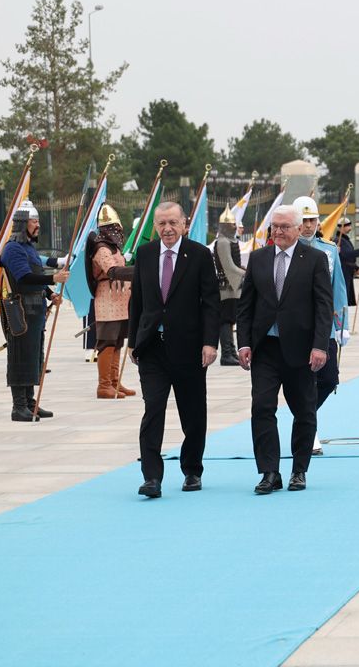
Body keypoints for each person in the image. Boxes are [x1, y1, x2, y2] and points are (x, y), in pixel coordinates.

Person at [236, 205, 333, 495]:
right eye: (274, 226)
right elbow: (245, 306)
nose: (277, 231)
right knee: (262, 408)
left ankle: (299, 470)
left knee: (304, 411)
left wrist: (320, 346)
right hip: (265, 348)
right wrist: (243, 342)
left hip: (301, 350)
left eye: (284, 227)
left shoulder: (314, 259)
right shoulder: (258, 258)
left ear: (297, 228)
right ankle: (269, 471)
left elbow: (323, 307)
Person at [127, 202, 219, 498]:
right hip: (152, 347)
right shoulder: (146, 253)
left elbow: (211, 303)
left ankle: (192, 469)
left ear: (184, 224)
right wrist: (133, 340)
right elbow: (137, 301)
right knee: (152, 409)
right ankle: (151, 477)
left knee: (192, 413)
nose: (167, 229)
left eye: (173, 223)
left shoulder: (200, 255)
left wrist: (210, 342)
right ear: (155, 226)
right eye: (162, 223)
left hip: (190, 349)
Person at [0, 200, 69, 421]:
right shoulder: (13, 249)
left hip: (35, 310)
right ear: (22, 224)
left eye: (38, 221)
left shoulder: (28, 248)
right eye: (33, 221)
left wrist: (49, 293)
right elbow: (24, 278)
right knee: (20, 356)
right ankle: (18, 407)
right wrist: (53, 278)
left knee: (33, 356)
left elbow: (35, 278)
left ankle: (29, 403)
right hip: (21, 310)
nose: (38, 225)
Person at [293, 196, 348, 426]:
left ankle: (305, 419)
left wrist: (341, 326)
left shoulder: (329, 251)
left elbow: (339, 289)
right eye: (304, 220)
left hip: (324, 326)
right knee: (304, 381)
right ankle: (308, 427)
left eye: (312, 220)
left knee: (329, 379)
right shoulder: (284, 251)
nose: (308, 225)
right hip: (296, 326)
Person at [85, 204, 137, 398]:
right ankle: (104, 385)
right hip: (107, 300)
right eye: (114, 228)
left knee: (117, 341)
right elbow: (112, 271)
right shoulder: (101, 248)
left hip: (120, 301)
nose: (118, 232)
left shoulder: (113, 247)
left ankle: (115, 382)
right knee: (107, 341)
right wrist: (140, 270)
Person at [212, 207, 246, 366]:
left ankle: (231, 352)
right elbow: (228, 266)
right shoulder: (223, 242)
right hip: (226, 286)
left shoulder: (229, 240)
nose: (234, 227)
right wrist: (245, 273)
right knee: (226, 320)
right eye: (231, 224)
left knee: (230, 320)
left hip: (233, 285)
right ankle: (227, 353)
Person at [334, 216, 359, 309]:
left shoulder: (345, 240)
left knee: (346, 298)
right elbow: (347, 255)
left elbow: (348, 259)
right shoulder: (338, 240)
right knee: (343, 298)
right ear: (341, 227)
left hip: (348, 272)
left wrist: (356, 267)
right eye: (347, 225)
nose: (350, 228)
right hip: (343, 272)